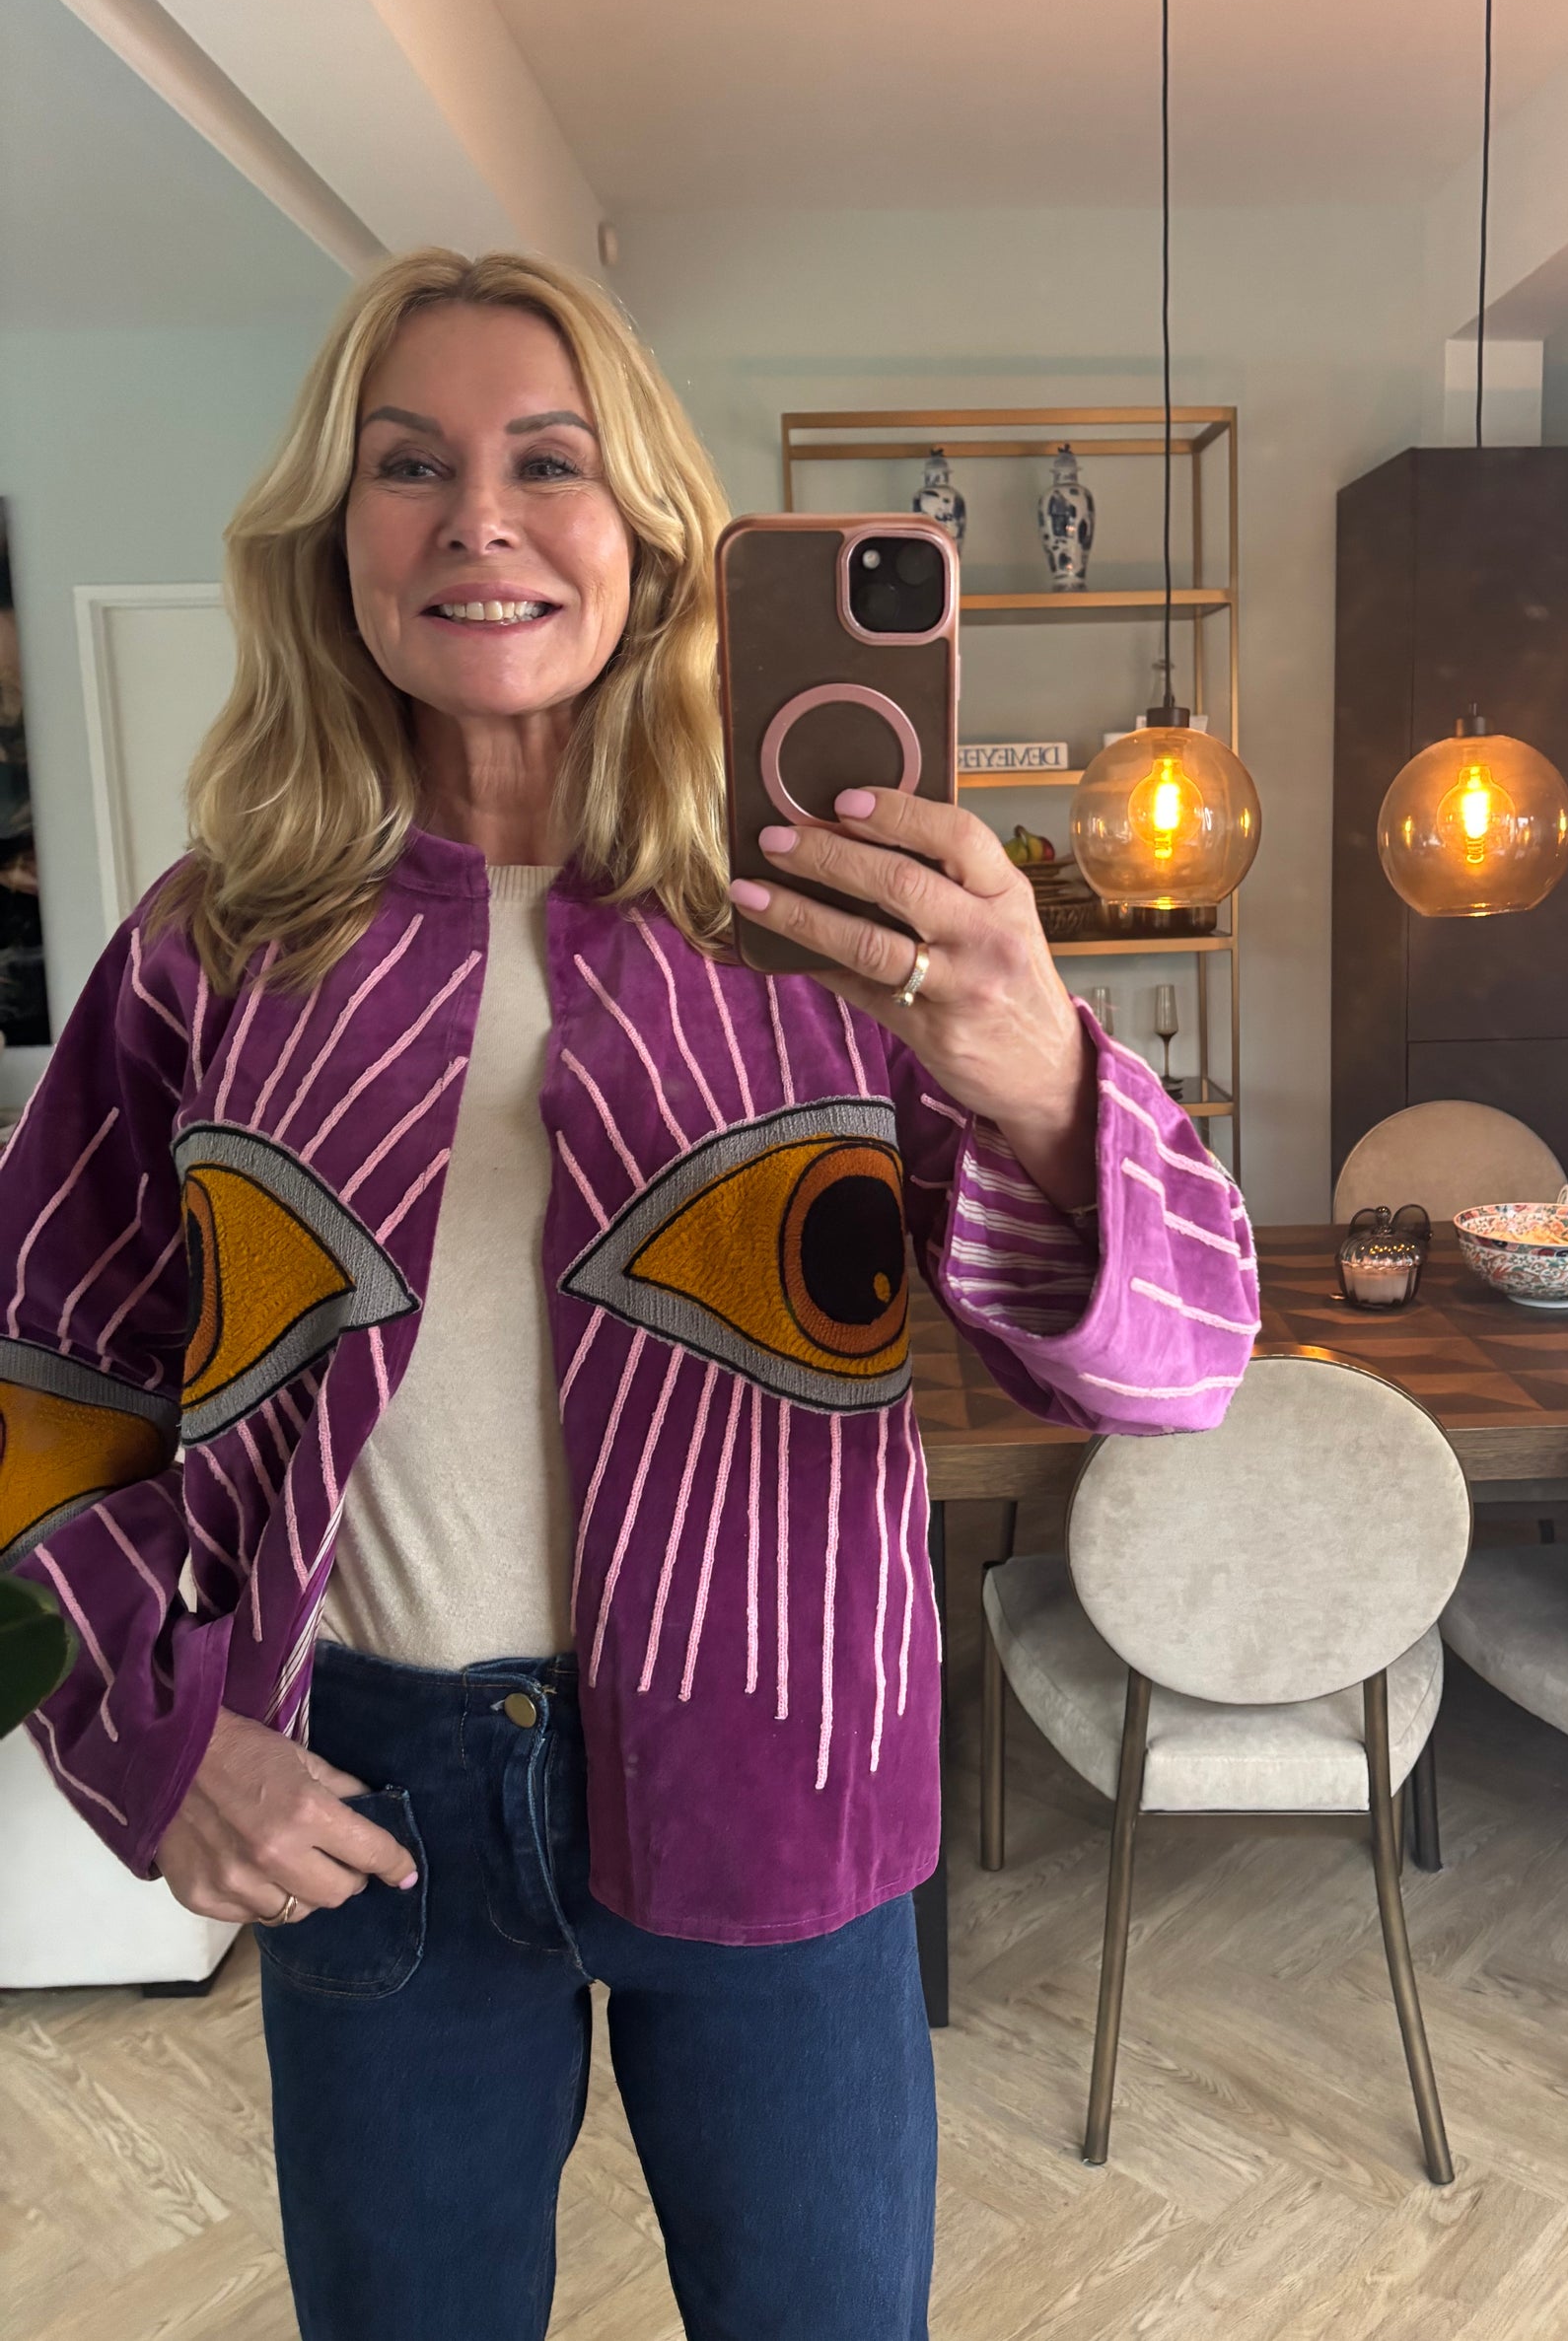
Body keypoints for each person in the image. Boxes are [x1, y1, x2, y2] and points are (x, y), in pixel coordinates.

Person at [1, 248, 1257, 2341]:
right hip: (365, 1787)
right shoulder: (217, 945)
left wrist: (1037, 1064)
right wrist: (157, 1731)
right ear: (333, 536)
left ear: (655, 535)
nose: (477, 519)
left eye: (548, 461)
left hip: (785, 1757)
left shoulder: (830, 923)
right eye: (410, 463)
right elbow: (46, 1369)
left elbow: (1179, 1365)